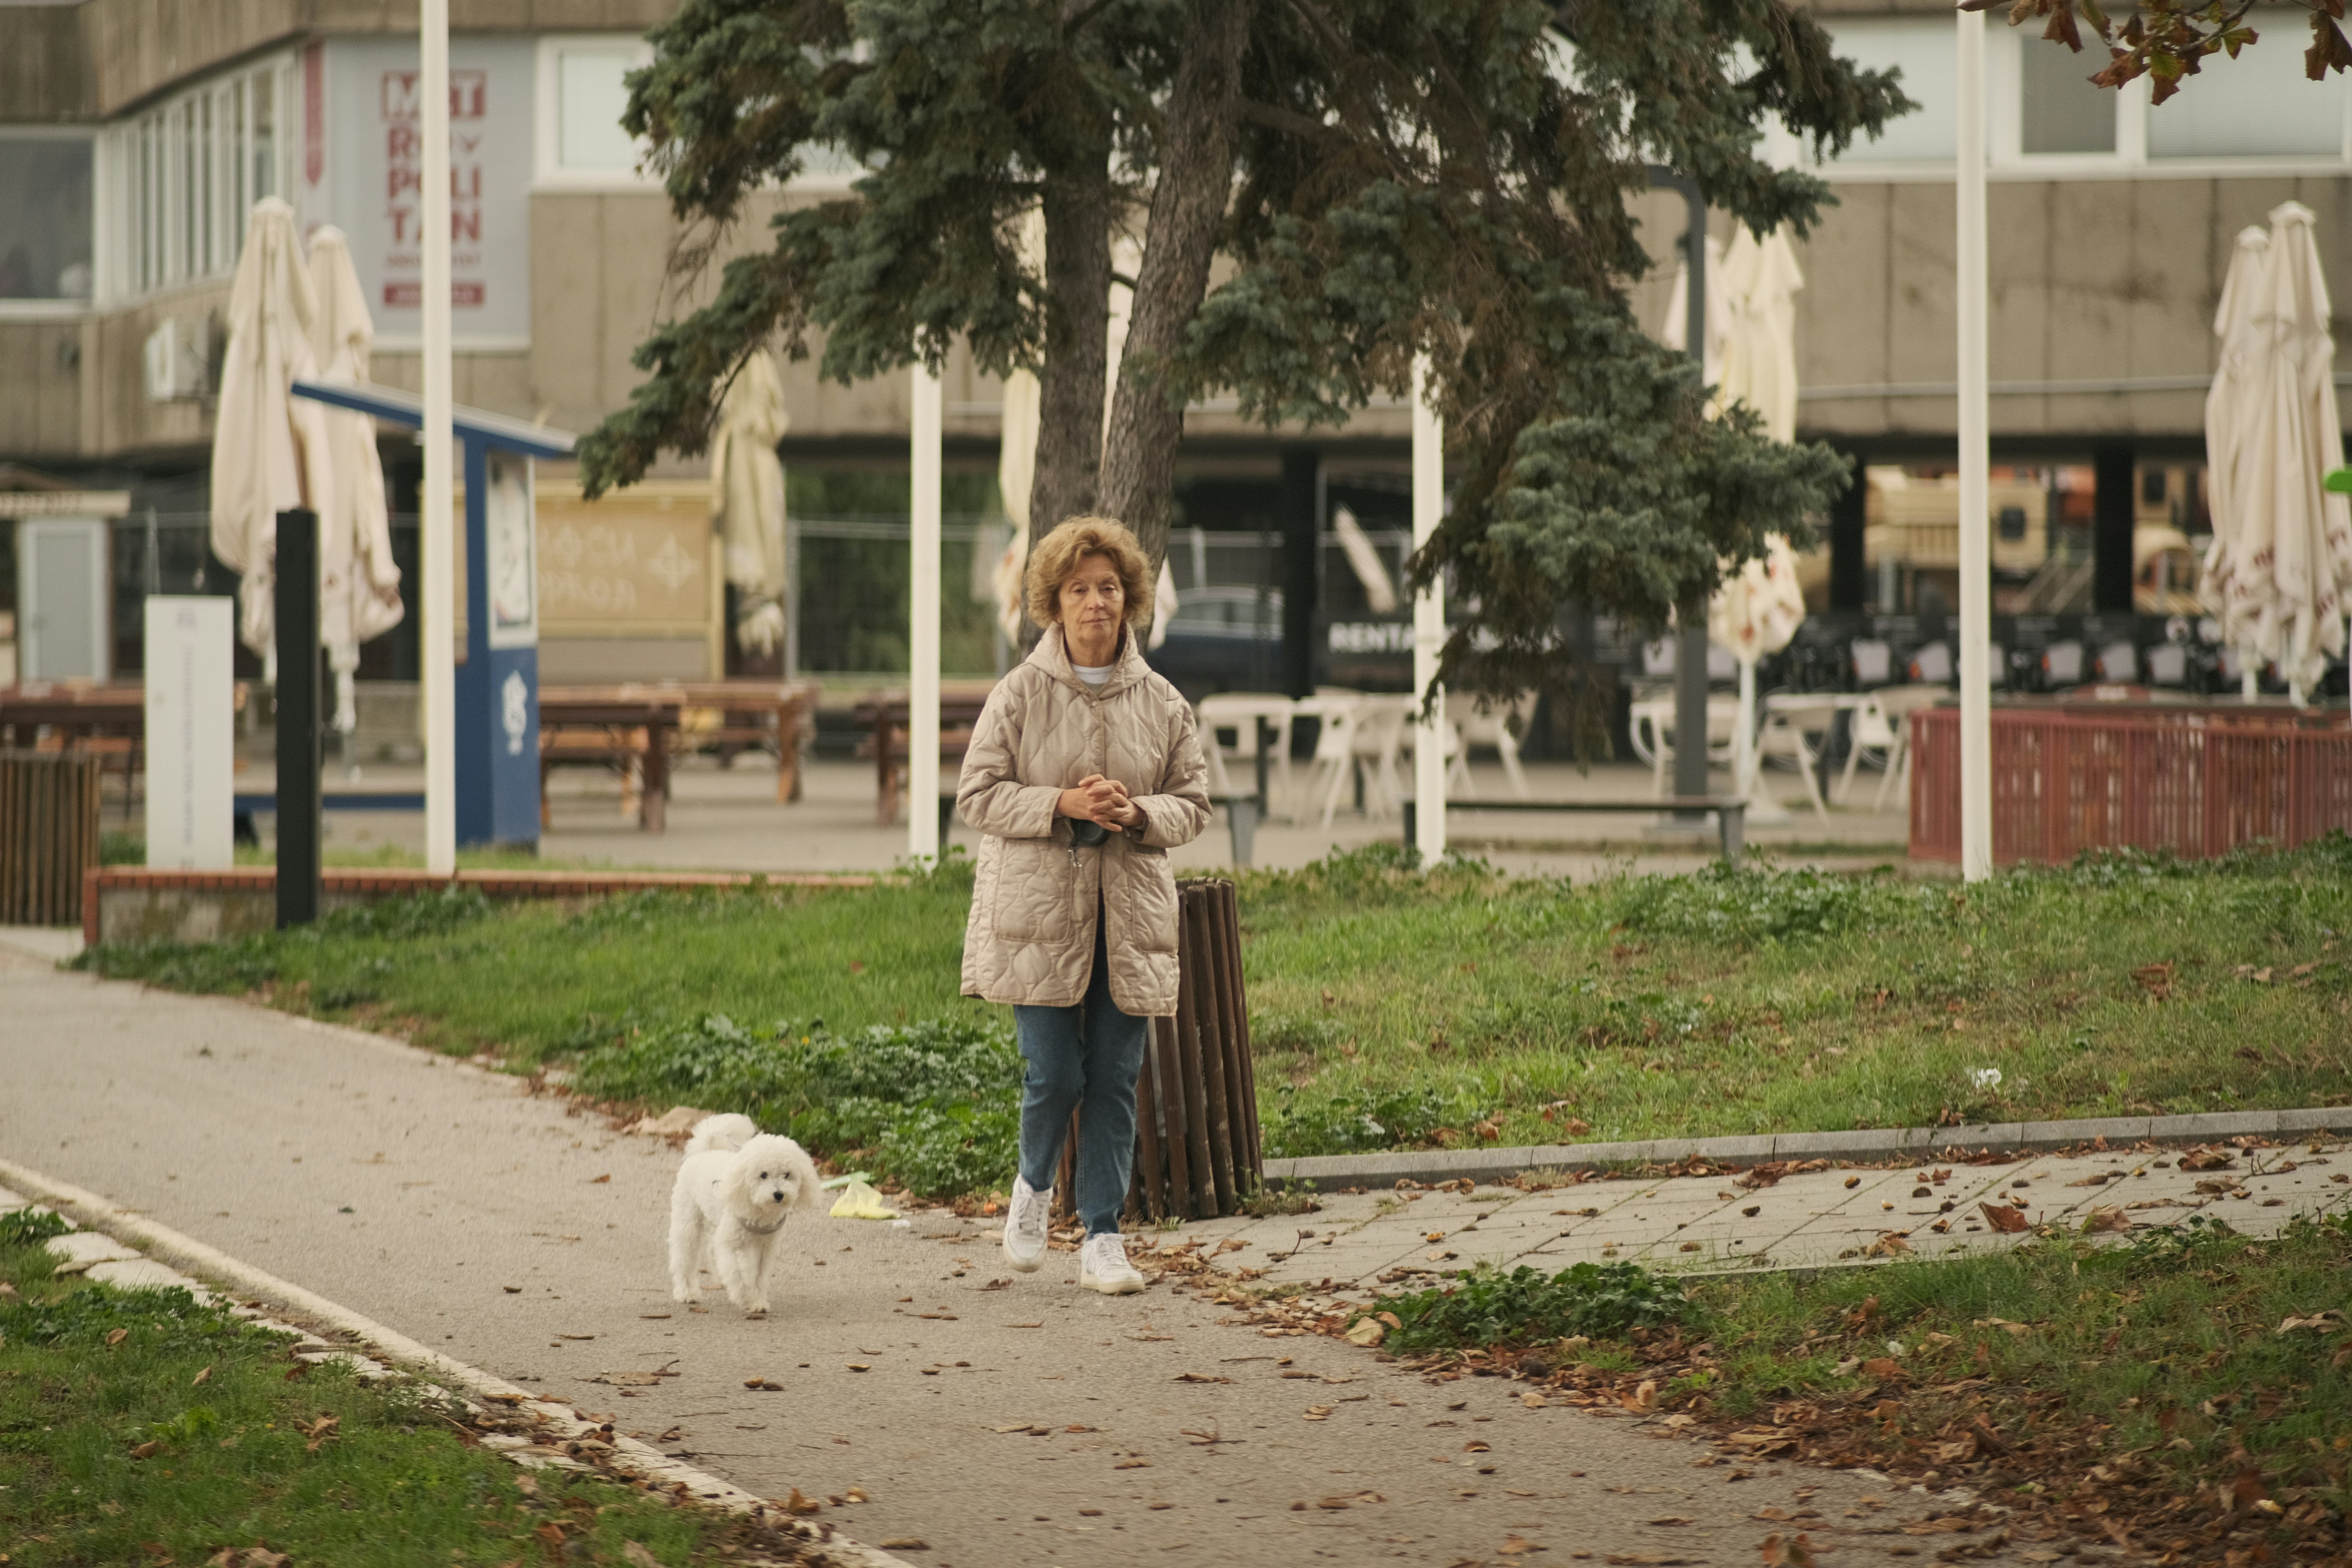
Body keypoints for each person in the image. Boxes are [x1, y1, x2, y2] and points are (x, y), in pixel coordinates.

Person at [957, 515, 1211, 1294]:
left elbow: (1194, 803)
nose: (1096, 602)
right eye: (1079, 589)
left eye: (1108, 587)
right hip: (1037, 915)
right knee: (1055, 1075)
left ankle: (1104, 1237)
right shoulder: (1020, 693)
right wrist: (1062, 801)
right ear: (1054, 604)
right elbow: (977, 794)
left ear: (1130, 598)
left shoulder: (1163, 701)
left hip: (1129, 916)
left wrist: (1138, 814)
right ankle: (1033, 1188)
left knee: (1113, 1080)